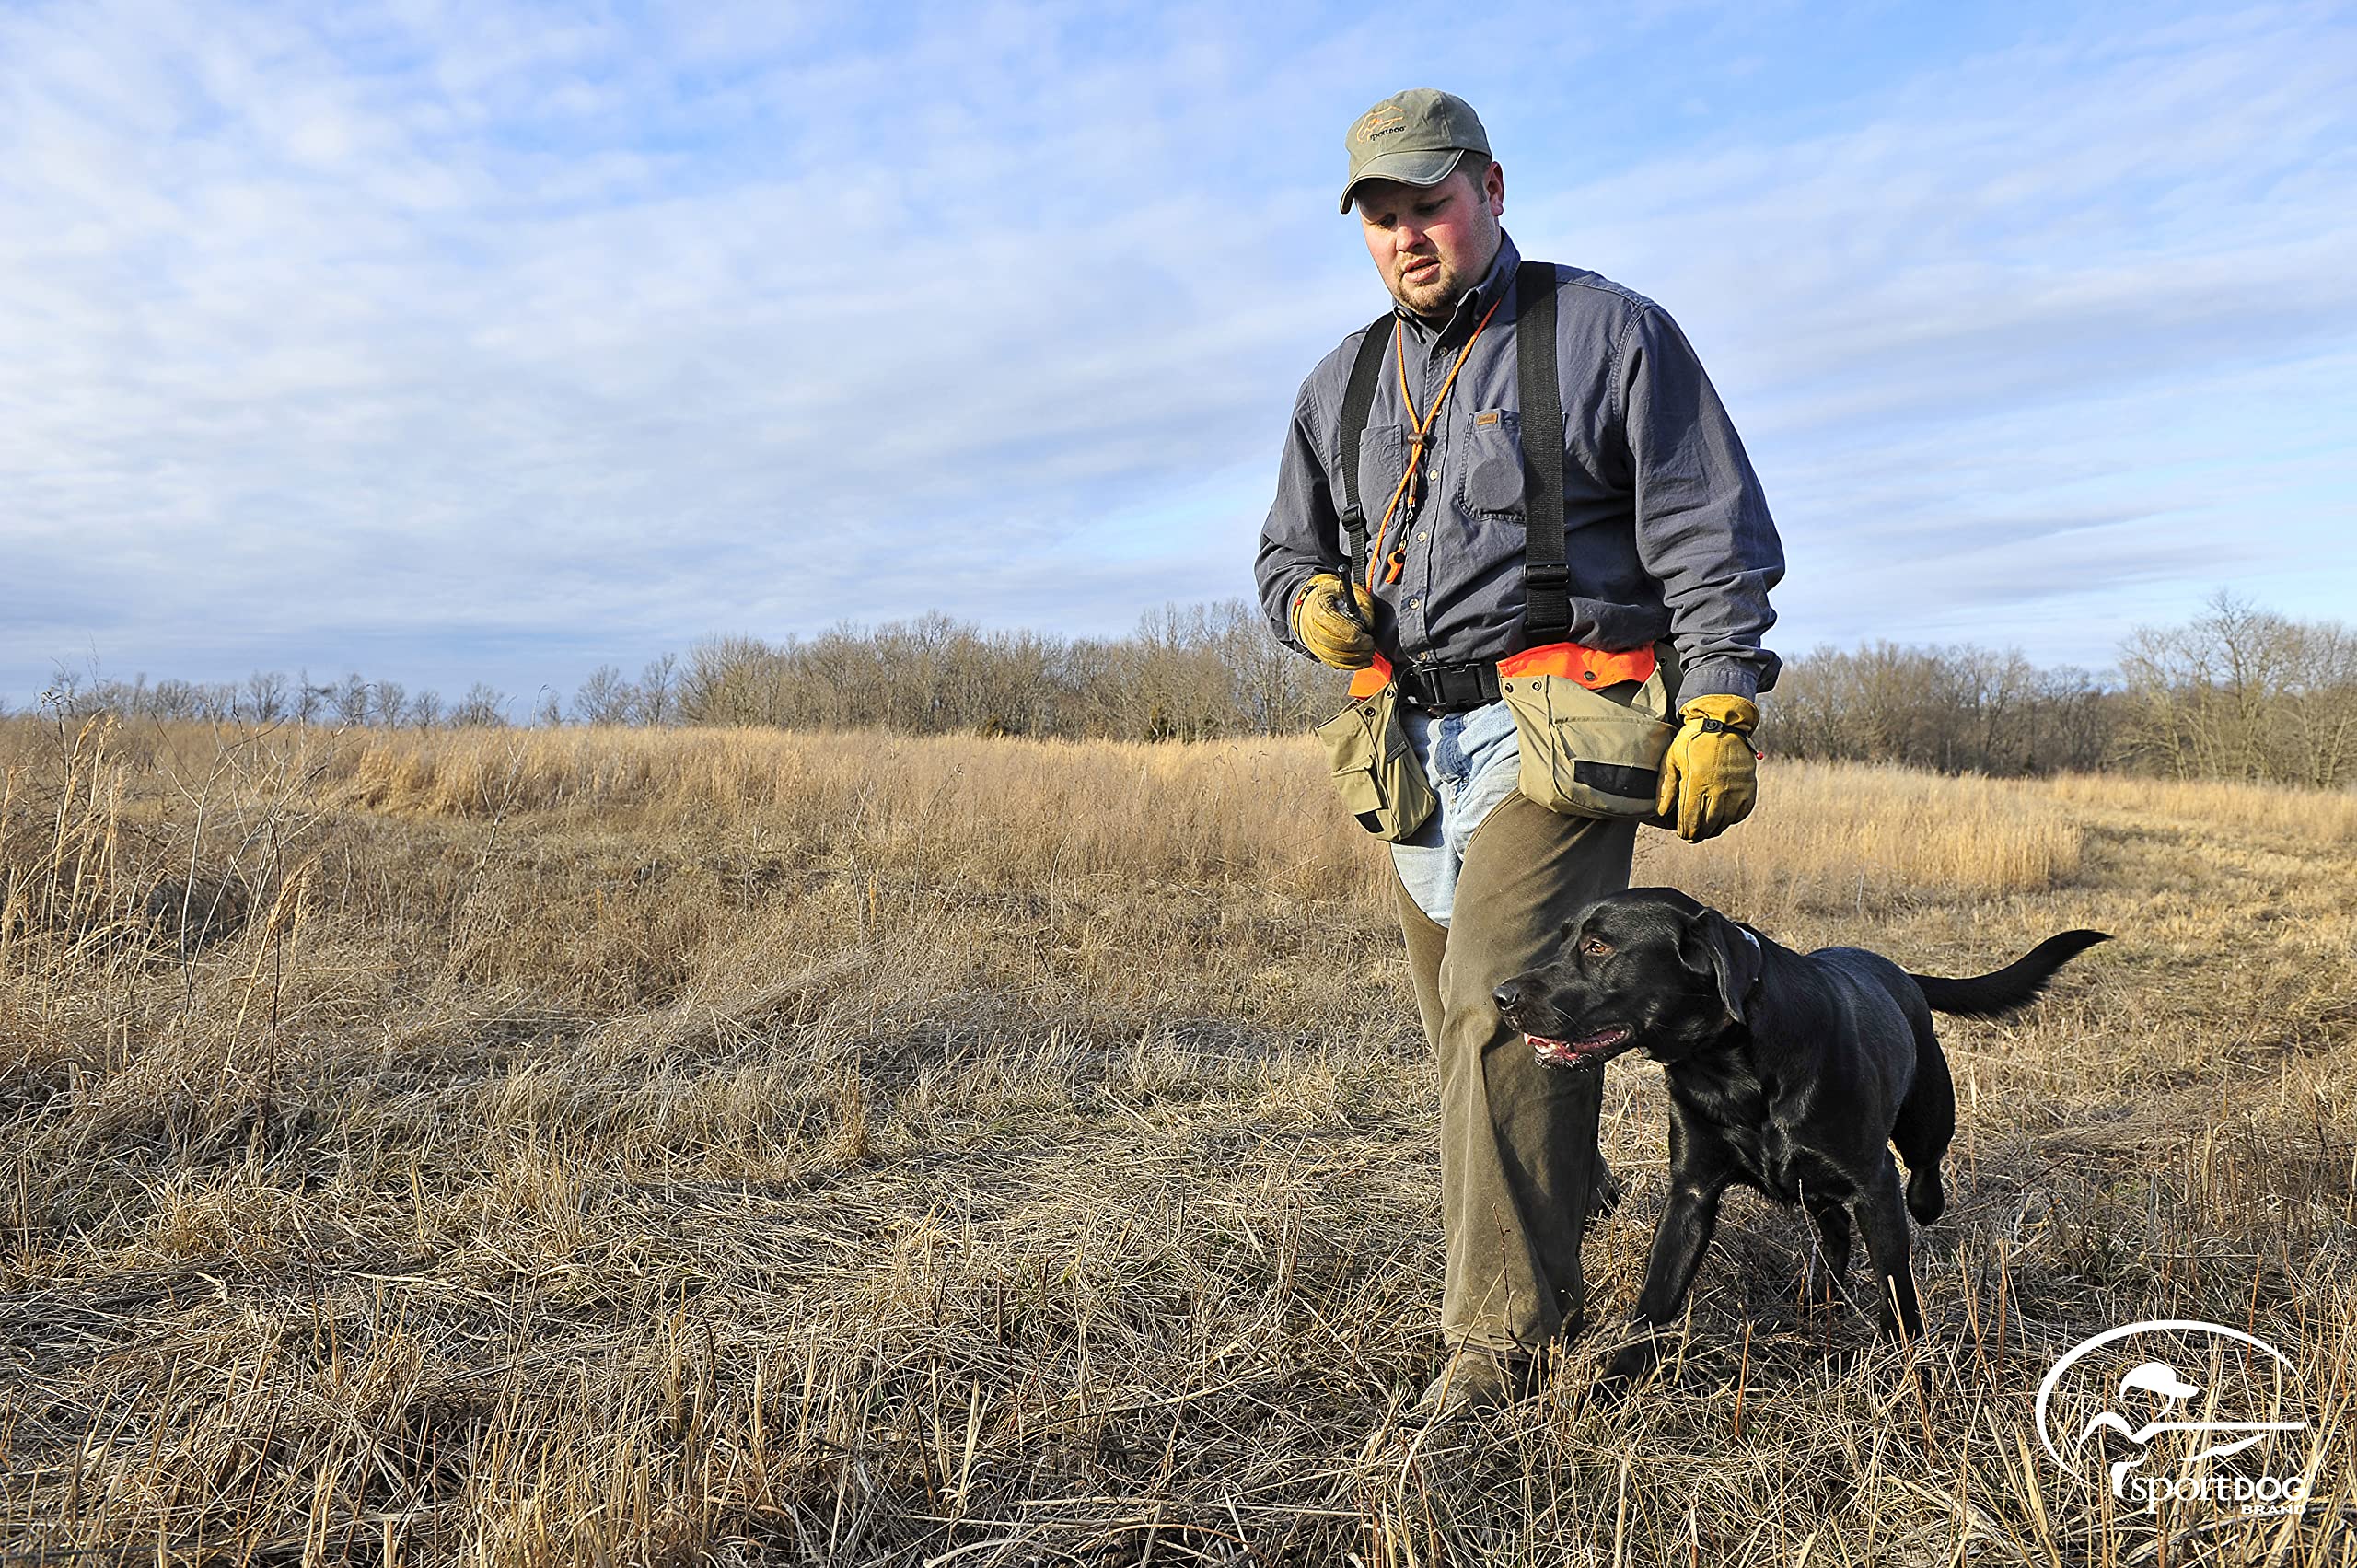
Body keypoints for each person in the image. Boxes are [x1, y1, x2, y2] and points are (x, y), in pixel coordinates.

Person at [1254, 87, 1784, 1424]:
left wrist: (1721, 705)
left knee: (1499, 1010)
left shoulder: (1607, 334)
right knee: (1465, 1023)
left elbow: (1712, 536)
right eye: (1379, 215)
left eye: (1428, 204)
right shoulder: (1339, 383)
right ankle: (1565, 1188)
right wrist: (1306, 604)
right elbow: (1283, 553)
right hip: (1409, 746)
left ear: (1491, 190)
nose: (1405, 235)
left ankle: (1502, 1345)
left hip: (1557, 733)